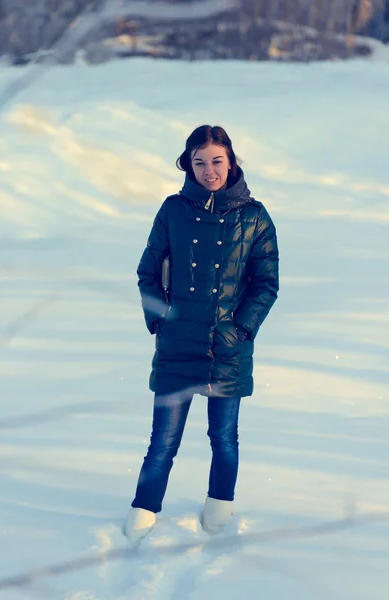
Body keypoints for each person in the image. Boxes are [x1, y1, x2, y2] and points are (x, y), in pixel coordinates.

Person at [124, 125, 279, 543]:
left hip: (227, 349)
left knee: (224, 438)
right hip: (177, 345)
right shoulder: (173, 210)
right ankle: (144, 509)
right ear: (187, 166)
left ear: (231, 161)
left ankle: (220, 504)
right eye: (199, 162)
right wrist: (161, 320)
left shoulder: (255, 217)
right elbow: (148, 272)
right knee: (162, 441)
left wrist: (242, 329)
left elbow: (266, 283)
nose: (209, 170)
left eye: (216, 161)